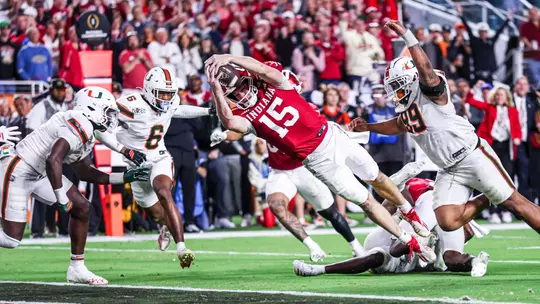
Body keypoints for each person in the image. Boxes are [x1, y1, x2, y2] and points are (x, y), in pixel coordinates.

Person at [204, 55, 435, 262]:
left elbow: (264, 71)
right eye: (234, 93)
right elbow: (230, 123)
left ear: (250, 78)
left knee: (377, 176)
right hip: (316, 159)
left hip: (331, 135)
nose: (241, 94)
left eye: (242, 87)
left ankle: (410, 213)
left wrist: (228, 57)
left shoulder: (277, 83)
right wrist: (216, 88)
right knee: (365, 201)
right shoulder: (245, 116)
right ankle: (410, 241)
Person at [350, 20, 540, 234]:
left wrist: (407, 36)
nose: (394, 90)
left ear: (412, 77)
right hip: (449, 168)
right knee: (448, 221)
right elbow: (399, 125)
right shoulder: (408, 106)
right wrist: (369, 126)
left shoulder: (432, 90)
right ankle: (489, 197)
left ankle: (497, 196)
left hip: (471, 156)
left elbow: (426, 70)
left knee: (516, 204)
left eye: (396, 84)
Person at [210, 70, 366, 261]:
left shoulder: (307, 109)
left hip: (305, 166)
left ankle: (354, 244)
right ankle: (312, 246)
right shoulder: (261, 107)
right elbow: (242, 128)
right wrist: (225, 134)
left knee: (331, 213)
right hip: (280, 169)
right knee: (276, 205)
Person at [0, 87, 150, 284]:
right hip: (19, 170)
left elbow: (85, 172)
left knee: (82, 207)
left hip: (39, 173)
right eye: (108, 112)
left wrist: (124, 178)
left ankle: (77, 268)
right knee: (11, 240)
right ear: (92, 108)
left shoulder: (88, 129)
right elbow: (53, 160)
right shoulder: (80, 124)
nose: (111, 117)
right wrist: (61, 197)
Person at [97, 67, 214, 268]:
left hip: (159, 157)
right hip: (136, 166)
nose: (167, 99)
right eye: (163, 94)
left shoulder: (170, 102)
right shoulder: (130, 105)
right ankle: (165, 227)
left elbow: (179, 109)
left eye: (170, 94)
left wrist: (207, 111)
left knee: (164, 191)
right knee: (155, 214)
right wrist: (124, 150)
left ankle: (182, 248)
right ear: (149, 90)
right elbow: (100, 130)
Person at [293, 163, 490, 278]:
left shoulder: (448, 197)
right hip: (404, 231)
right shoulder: (426, 192)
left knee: (445, 257)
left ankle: (474, 260)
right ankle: (319, 270)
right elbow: (385, 209)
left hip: (421, 234)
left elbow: (466, 233)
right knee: (394, 253)